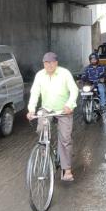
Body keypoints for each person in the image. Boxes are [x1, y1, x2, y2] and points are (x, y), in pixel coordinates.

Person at [27, 52, 79, 182]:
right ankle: (45, 148)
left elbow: (74, 90)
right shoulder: (40, 75)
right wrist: (31, 109)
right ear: (43, 63)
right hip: (47, 108)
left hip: (63, 110)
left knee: (65, 139)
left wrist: (69, 105)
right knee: (40, 129)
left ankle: (66, 169)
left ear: (56, 63)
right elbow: (34, 92)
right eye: (46, 62)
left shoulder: (64, 73)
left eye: (51, 62)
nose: (49, 65)